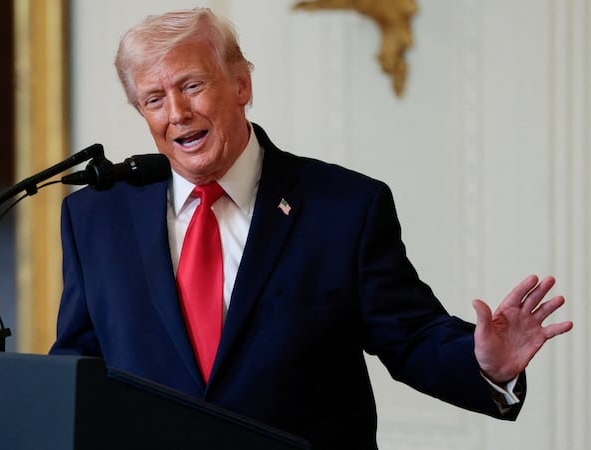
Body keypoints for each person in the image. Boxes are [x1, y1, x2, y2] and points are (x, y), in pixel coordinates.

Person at [49, 7, 573, 449]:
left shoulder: (343, 207)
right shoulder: (97, 215)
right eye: (154, 99)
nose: (177, 113)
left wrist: (485, 365)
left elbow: (411, 336)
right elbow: (77, 366)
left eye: (192, 85)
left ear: (240, 84)